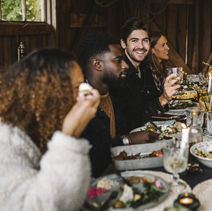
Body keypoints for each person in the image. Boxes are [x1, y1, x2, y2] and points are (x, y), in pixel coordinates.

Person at [0, 48, 100, 210]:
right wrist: (69, 138)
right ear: (47, 93)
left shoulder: (43, 127)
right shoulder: (4, 142)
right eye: (76, 88)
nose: (84, 96)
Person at [78, 31, 158, 177]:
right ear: (97, 64)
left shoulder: (116, 94)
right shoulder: (80, 104)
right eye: (118, 60)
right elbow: (91, 156)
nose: (125, 65)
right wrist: (127, 140)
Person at [118, 17, 179, 127]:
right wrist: (163, 98)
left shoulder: (144, 69)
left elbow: (151, 101)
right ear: (123, 43)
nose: (141, 46)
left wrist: (165, 96)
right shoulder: (120, 73)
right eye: (134, 40)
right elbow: (131, 120)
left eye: (145, 40)